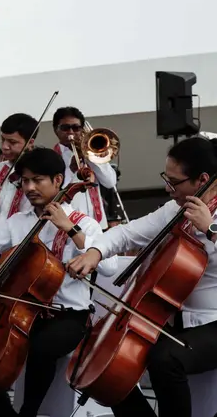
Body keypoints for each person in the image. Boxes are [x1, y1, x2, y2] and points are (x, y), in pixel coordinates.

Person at [67, 136, 217, 417]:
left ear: (202, 179)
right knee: (110, 362)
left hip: (213, 321)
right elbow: (128, 232)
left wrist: (211, 230)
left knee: (165, 360)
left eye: (174, 181)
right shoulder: (178, 209)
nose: (167, 187)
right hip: (175, 320)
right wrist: (95, 252)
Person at [0, 148, 100, 417]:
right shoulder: (18, 222)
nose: (29, 187)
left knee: (41, 348)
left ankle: (28, 413)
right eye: (25, 181)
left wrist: (70, 230)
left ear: (59, 180)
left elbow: (106, 263)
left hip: (68, 317)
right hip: (22, 313)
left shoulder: (84, 223)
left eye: (38, 180)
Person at [51, 106, 117, 228]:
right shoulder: (51, 157)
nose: (71, 132)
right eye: (65, 128)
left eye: (76, 128)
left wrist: (92, 157)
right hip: (69, 225)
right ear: (56, 130)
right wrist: (71, 171)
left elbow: (110, 182)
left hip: (97, 224)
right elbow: (54, 194)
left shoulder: (92, 152)